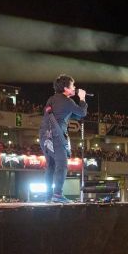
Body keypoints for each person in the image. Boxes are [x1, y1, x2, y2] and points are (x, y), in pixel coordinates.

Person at [41, 74, 87, 203]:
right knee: (62, 165)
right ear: (66, 88)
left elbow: (72, 115)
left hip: (44, 137)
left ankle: (48, 196)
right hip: (56, 136)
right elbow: (82, 113)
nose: (75, 88)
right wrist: (82, 98)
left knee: (51, 166)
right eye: (73, 86)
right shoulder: (67, 101)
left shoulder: (51, 99)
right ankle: (57, 195)